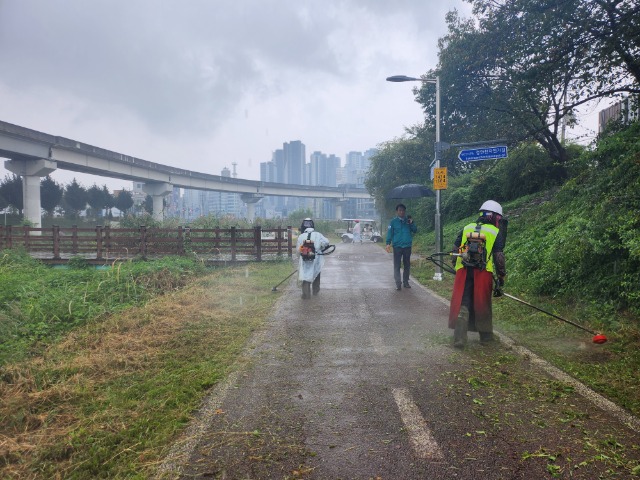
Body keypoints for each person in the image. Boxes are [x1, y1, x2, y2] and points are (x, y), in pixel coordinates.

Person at [448, 200, 507, 348]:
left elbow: (455, 249)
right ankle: (486, 338)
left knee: (464, 301)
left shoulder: (466, 227)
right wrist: (501, 276)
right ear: (494, 217)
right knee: (483, 302)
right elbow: (498, 256)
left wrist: (455, 264)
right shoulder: (494, 232)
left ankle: (459, 338)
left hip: (463, 270)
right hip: (482, 272)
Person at [385, 204, 417, 290]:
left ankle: (406, 282)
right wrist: (388, 243)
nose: (401, 212)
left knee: (407, 265)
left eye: (403, 210)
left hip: (407, 246)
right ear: (397, 211)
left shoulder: (408, 221)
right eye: (400, 210)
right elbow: (390, 233)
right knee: (397, 265)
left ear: (405, 211)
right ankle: (398, 283)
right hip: (397, 246)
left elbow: (415, 230)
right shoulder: (393, 222)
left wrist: (412, 223)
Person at [296, 217, 330, 299]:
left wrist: (301, 255)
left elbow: (298, 249)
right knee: (316, 273)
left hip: (305, 259)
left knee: (305, 275)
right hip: (317, 258)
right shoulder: (318, 235)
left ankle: (306, 295)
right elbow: (326, 242)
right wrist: (321, 247)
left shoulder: (301, 236)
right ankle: (315, 291)